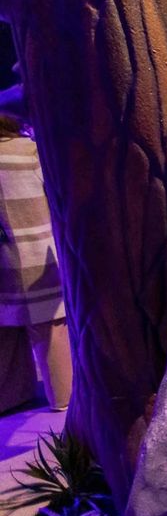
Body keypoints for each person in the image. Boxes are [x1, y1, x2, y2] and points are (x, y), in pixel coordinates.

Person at [0, 104, 72, 412]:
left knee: (6, 333)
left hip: (3, 260)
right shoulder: (30, 151)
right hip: (38, 252)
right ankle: (62, 396)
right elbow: (57, 193)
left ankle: (12, 395)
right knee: (50, 327)